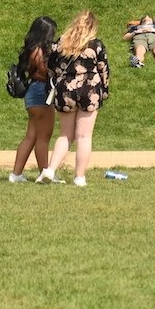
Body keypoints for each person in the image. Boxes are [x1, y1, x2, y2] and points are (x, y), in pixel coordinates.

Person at [40, 10, 111, 186]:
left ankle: (49, 170)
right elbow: (104, 70)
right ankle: (79, 177)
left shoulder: (60, 44)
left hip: (65, 91)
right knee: (84, 136)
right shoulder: (96, 45)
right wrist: (105, 91)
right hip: (89, 91)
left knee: (65, 135)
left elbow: (51, 67)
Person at [11, 16, 58, 182]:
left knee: (31, 136)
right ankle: (45, 173)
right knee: (43, 136)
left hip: (32, 91)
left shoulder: (30, 49)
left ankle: (16, 174)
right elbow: (47, 72)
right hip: (41, 92)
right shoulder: (40, 51)